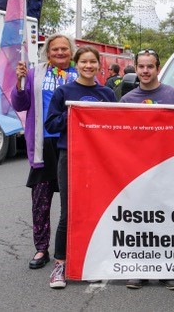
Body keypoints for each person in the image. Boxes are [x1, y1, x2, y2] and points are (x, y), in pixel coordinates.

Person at [44, 46, 116, 288]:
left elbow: (116, 127)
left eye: (92, 62)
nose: (88, 66)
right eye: (83, 62)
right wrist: (74, 114)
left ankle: (90, 263)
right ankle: (59, 266)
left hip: (98, 159)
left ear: (99, 65)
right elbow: (51, 124)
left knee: (95, 211)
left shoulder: (107, 93)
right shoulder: (64, 91)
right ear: (77, 64)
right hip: (71, 156)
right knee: (68, 212)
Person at [119, 48, 174, 290]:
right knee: (140, 220)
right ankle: (139, 268)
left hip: (169, 169)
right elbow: (119, 136)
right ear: (136, 69)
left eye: (150, 66)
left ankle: (167, 269)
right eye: (141, 67)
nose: (145, 71)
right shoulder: (127, 101)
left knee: (167, 220)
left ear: (158, 69)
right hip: (139, 171)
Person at [11, 33, 77, 271]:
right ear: (47, 53)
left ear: (71, 52)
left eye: (64, 49)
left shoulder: (80, 72)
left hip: (72, 145)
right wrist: (19, 83)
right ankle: (41, 248)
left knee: (73, 201)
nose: (60, 53)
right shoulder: (34, 73)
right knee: (41, 200)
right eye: (54, 49)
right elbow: (20, 104)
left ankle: (72, 247)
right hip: (42, 145)